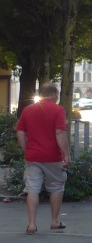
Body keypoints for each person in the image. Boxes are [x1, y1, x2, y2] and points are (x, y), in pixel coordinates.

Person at [17, 83, 71, 234]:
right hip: (53, 157)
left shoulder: (28, 110)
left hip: (33, 157)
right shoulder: (58, 110)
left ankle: (32, 225)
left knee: (32, 189)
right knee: (56, 186)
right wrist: (66, 155)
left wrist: (27, 150)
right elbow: (60, 132)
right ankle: (55, 221)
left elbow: (20, 133)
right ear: (54, 95)